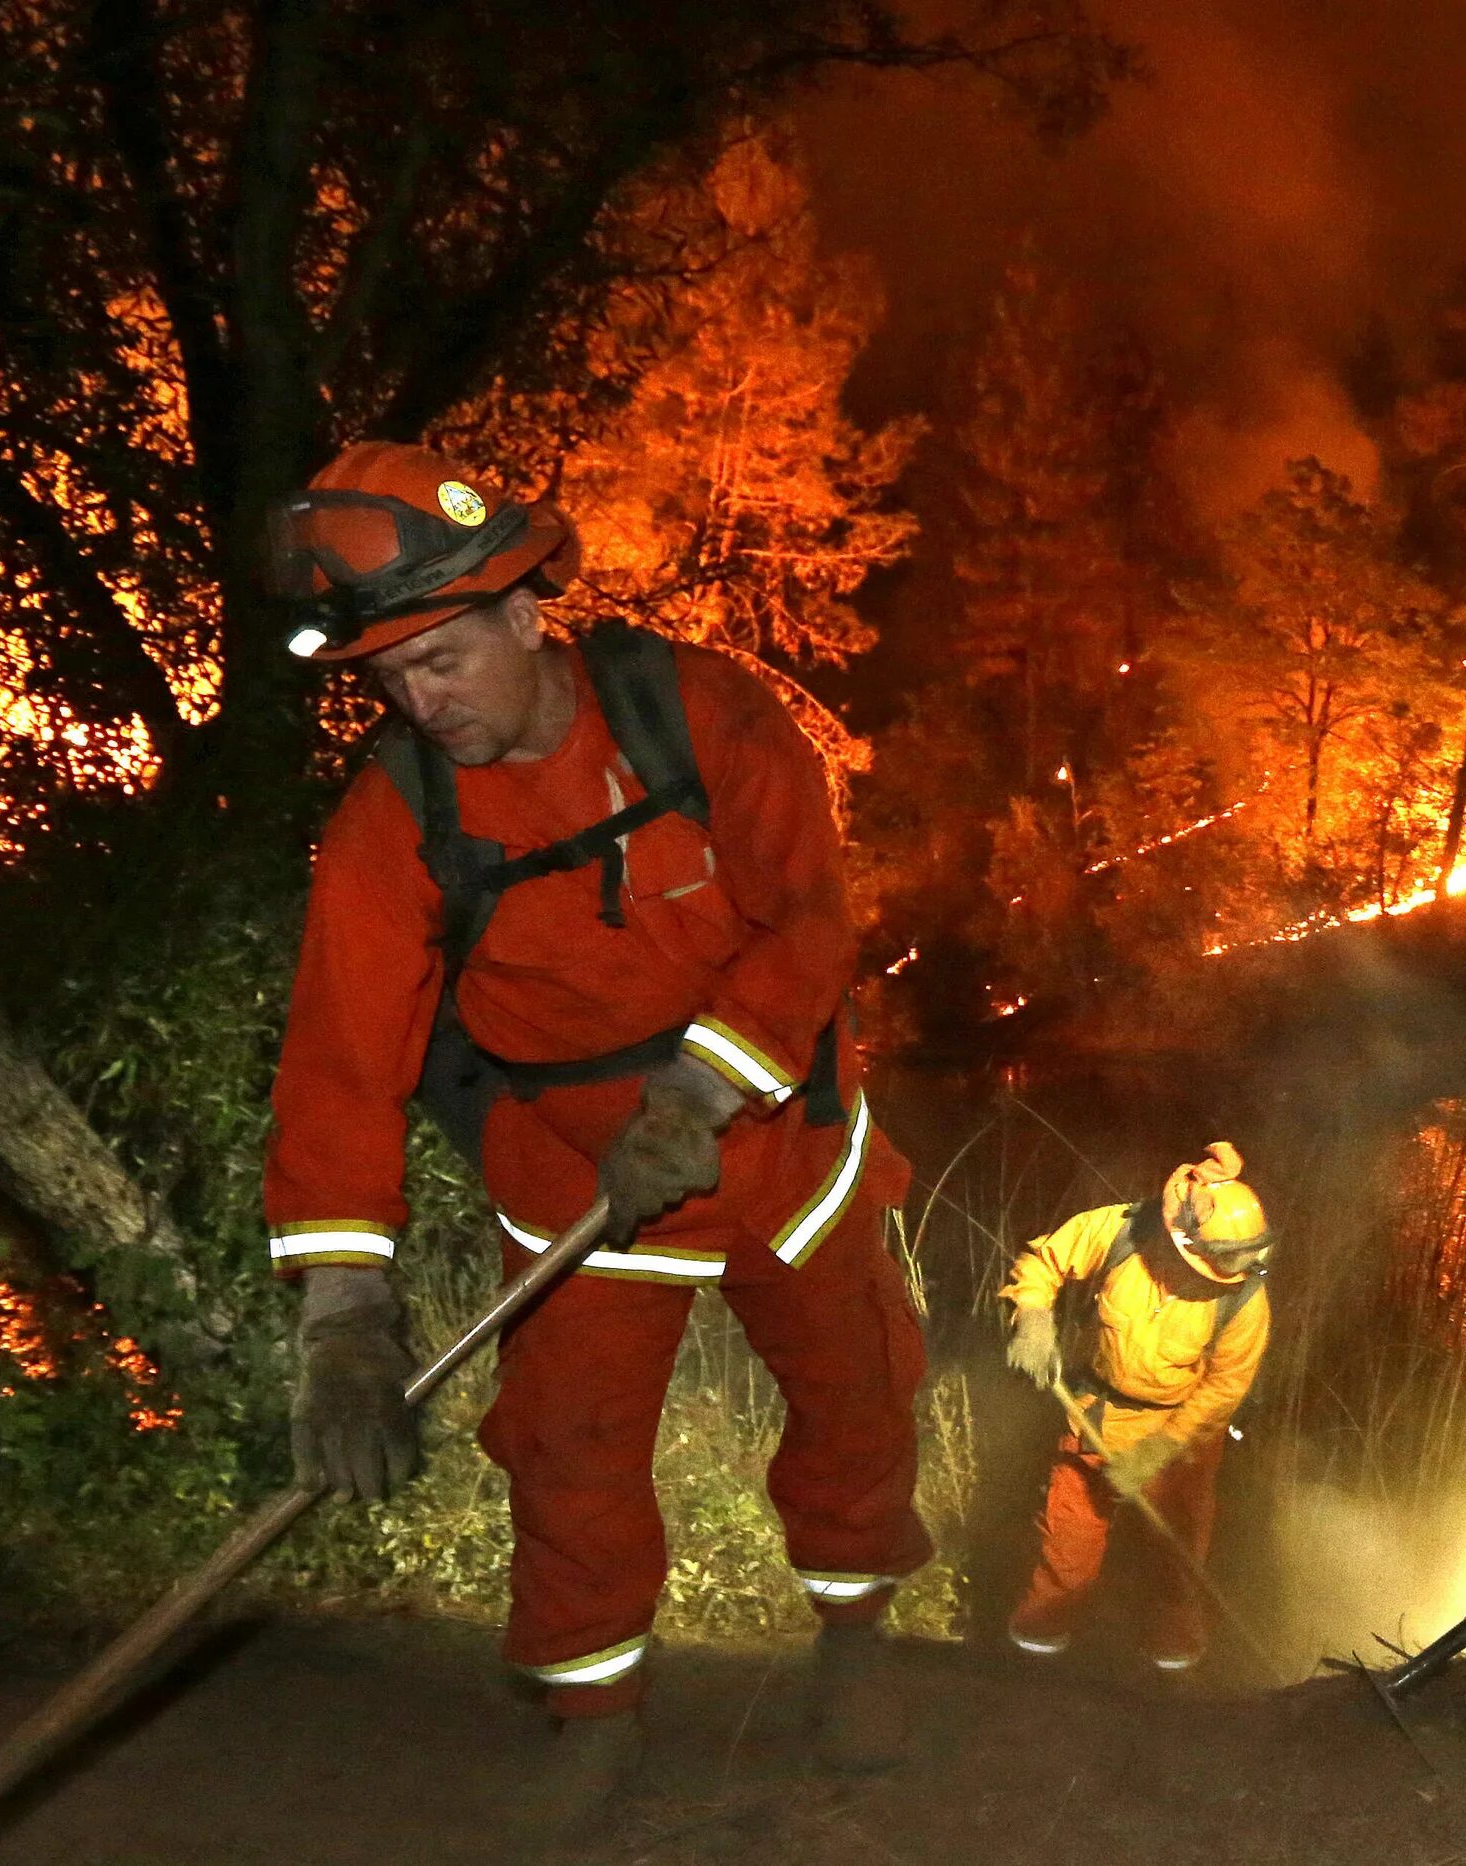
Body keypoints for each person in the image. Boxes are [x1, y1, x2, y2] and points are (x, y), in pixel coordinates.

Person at [258, 444, 928, 1827]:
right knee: (567, 1450)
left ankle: (857, 1638)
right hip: (573, 1176)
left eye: (440, 659)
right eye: (389, 679)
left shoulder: (704, 715)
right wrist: (344, 1316)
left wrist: (693, 1096)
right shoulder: (396, 821)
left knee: (854, 1397)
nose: (420, 702)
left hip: (779, 1145)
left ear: (523, 611)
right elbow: (340, 1062)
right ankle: (592, 1718)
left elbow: (809, 922)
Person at [997, 1143, 1273, 1676]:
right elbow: (1045, 1261)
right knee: (1069, 1540)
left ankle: (1174, 1661)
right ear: (1183, 1237)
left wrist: (1160, 1450)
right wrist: (1031, 1314)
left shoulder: (1243, 1299)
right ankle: (1038, 1645)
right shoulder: (1122, 1233)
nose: (1229, 1272)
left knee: (1177, 1548)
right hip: (1098, 1412)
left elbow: (1225, 1387)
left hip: (1181, 1429)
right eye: (1219, 1261)